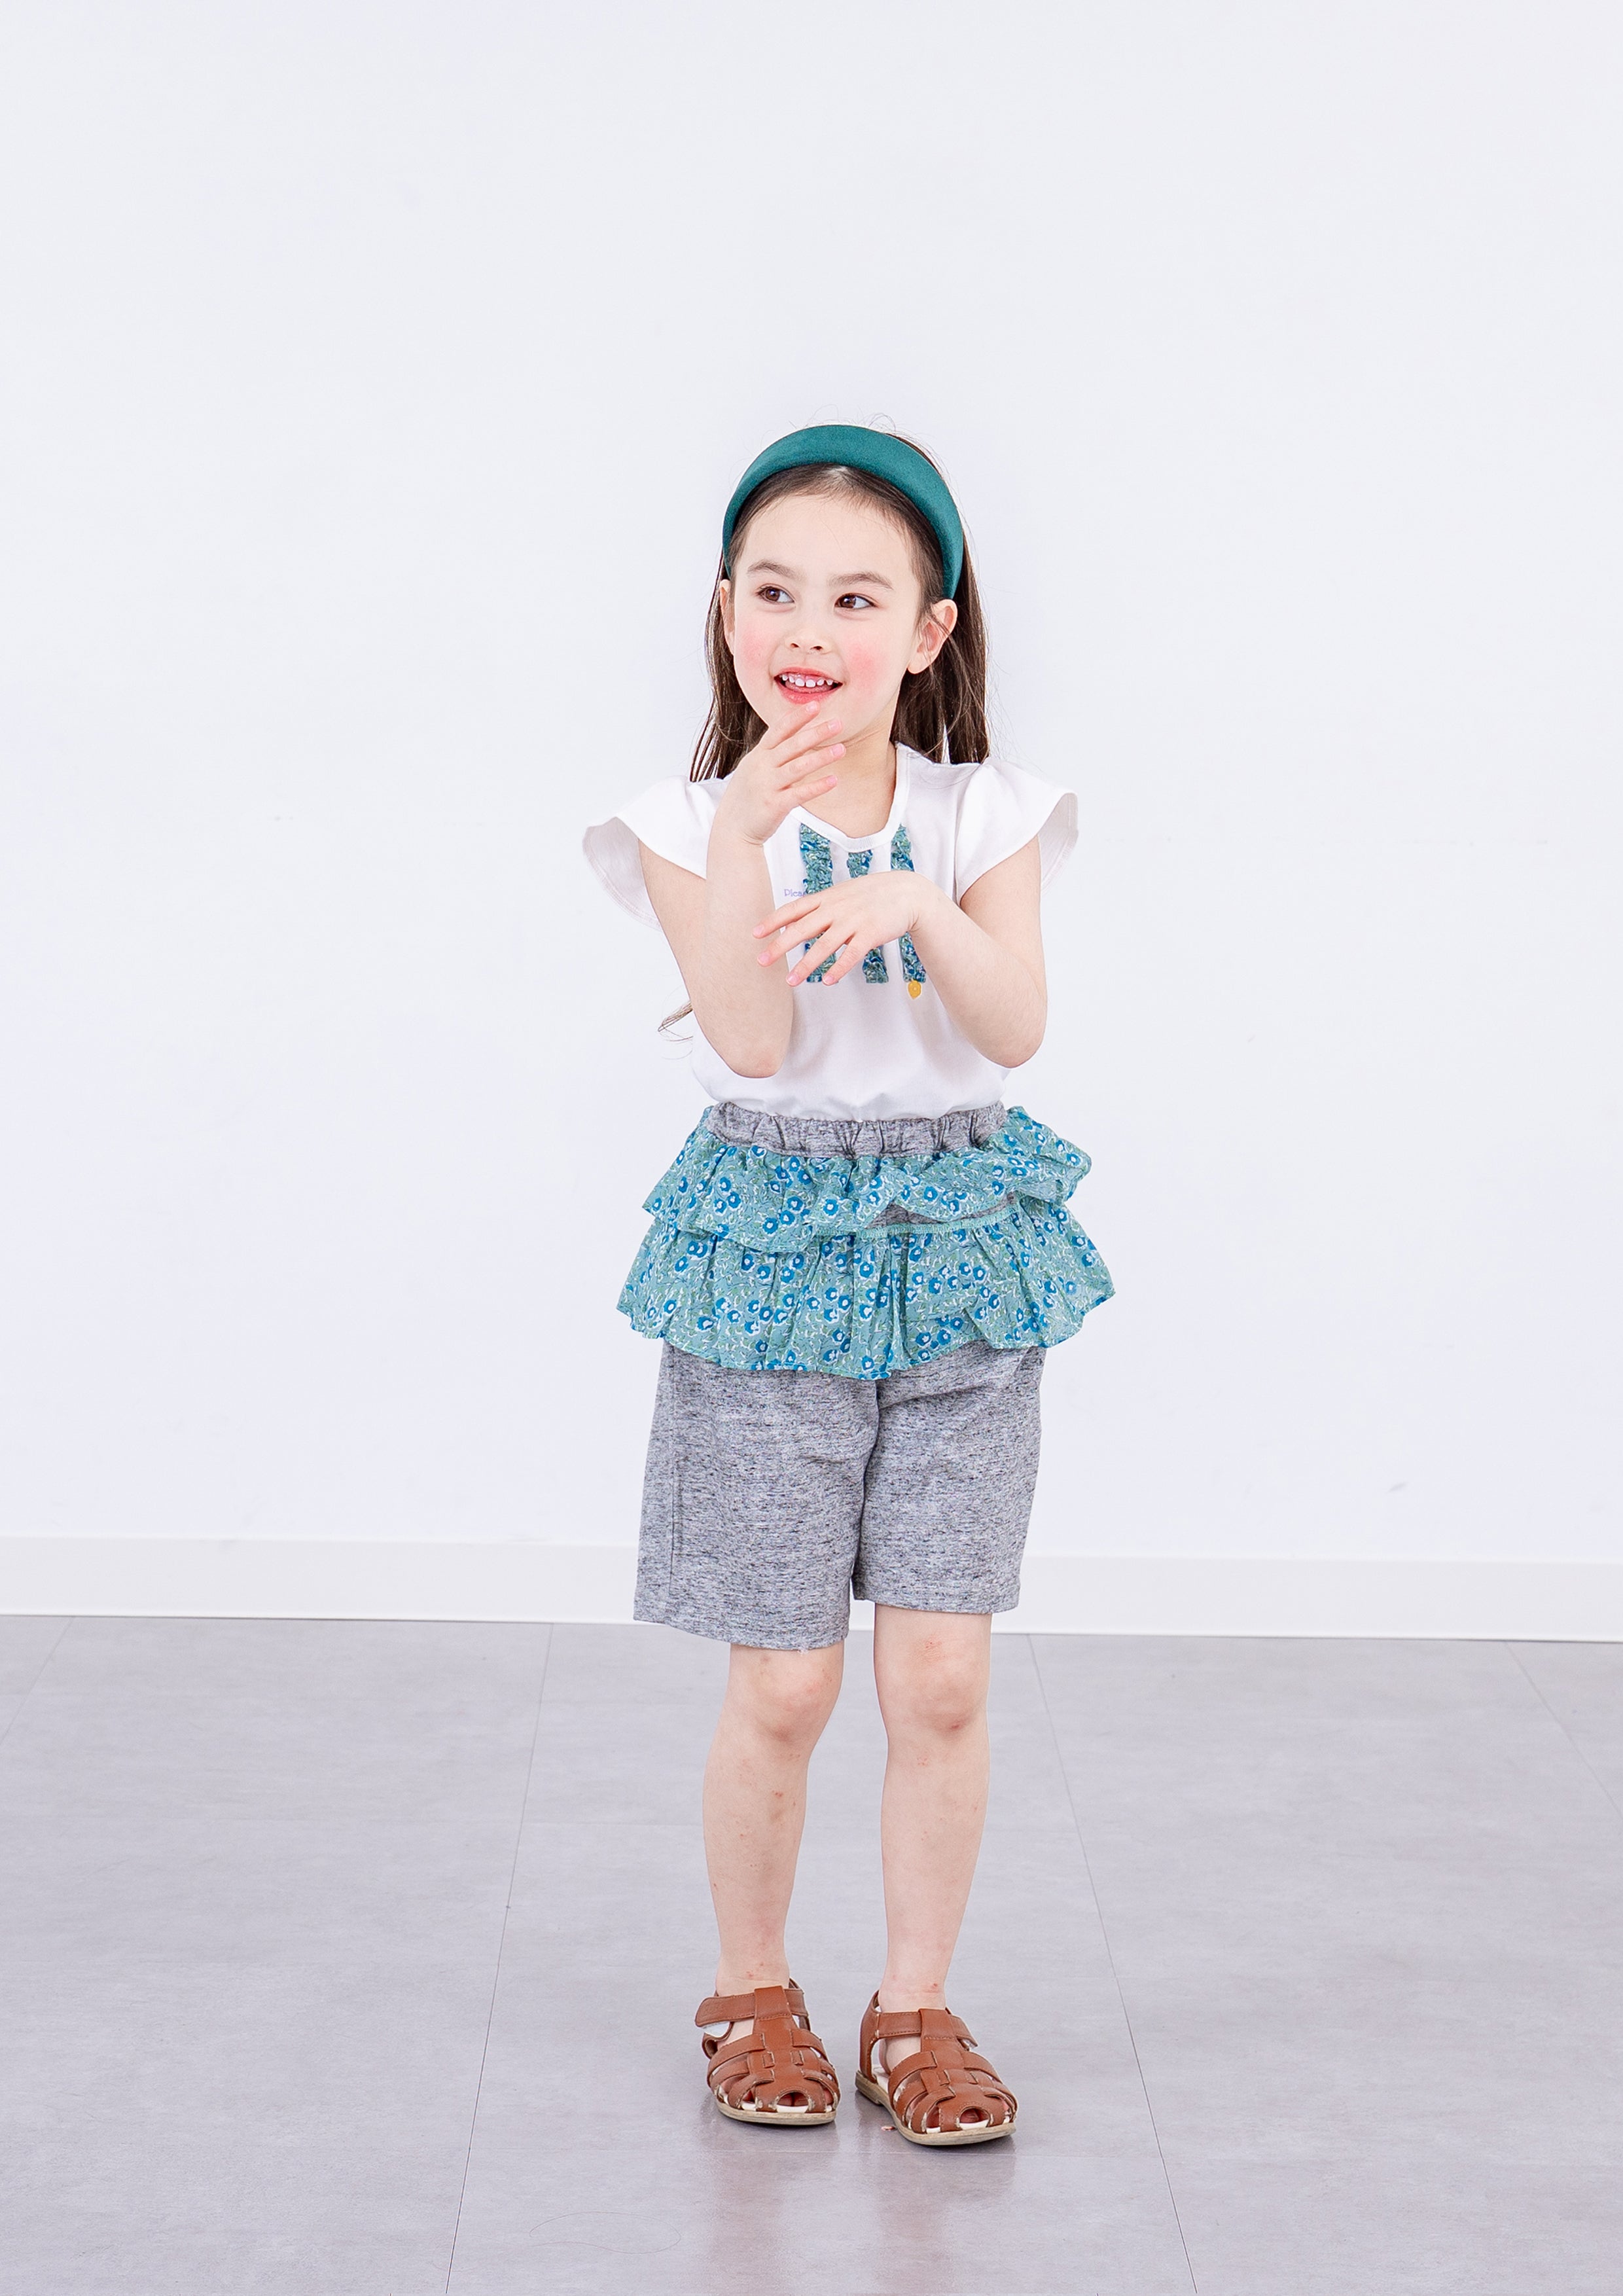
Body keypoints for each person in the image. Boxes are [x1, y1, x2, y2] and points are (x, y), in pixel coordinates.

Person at [582, 424, 1113, 2147]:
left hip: (960, 1248)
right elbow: (750, 1040)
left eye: (857, 597)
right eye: (775, 589)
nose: (809, 626)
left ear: (930, 630)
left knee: (941, 1675)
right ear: (727, 609)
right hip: (772, 1250)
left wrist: (917, 906)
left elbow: (1014, 1025)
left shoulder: (985, 812)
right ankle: (751, 1988)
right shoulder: (681, 824)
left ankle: (914, 2007)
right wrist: (748, 839)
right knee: (788, 1681)